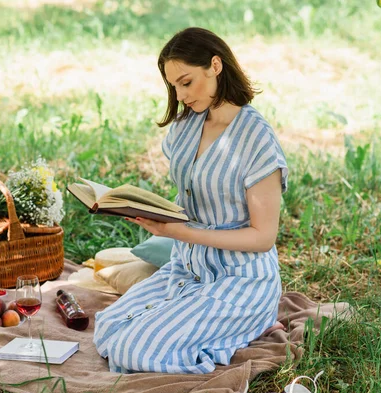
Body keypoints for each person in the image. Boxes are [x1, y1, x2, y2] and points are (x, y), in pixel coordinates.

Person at [93, 27, 289, 374]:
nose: (181, 95)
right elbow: (194, 199)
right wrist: (148, 212)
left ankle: (253, 321)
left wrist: (181, 233)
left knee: (130, 349)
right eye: (174, 86)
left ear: (215, 66)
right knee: (108, 326)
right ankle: (213, 326)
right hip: (188, 269)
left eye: (186, 82)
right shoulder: (186, 126)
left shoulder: (256, 140)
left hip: (241, 279)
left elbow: (263, 238)